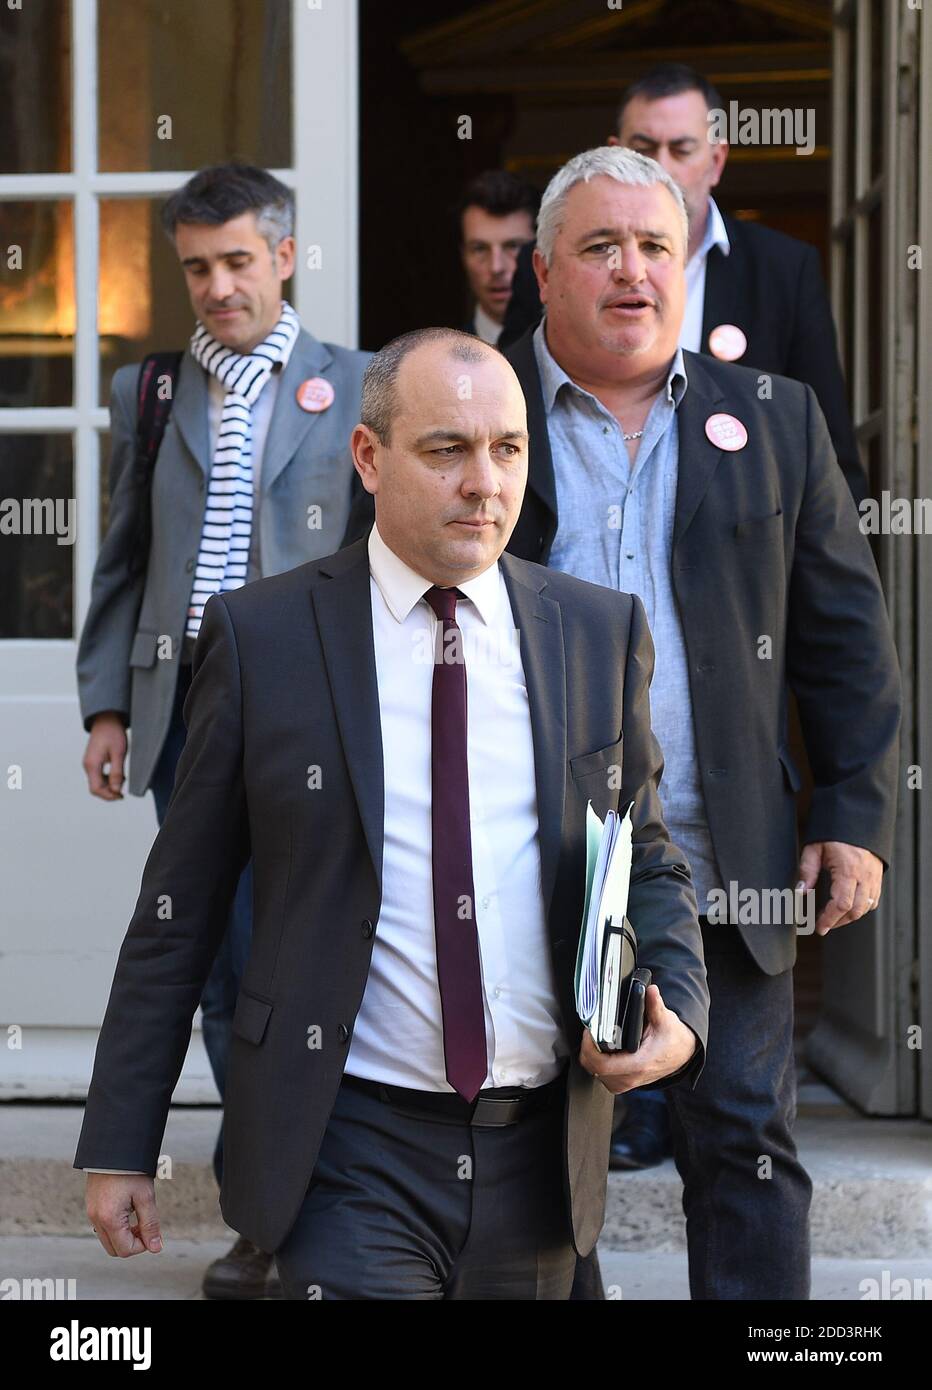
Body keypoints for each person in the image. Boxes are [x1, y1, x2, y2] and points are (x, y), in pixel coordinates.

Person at [341, 148, 901, 1300]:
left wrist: (852, 812)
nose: (632, 271)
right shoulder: (470, 413)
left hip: (721, 869)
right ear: (539, 273)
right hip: (521, 869)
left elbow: (845, 635)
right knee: (542, 1172)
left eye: (655, 246)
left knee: (745, 1155)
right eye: (599, 247)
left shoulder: (774, 420)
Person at [75, 327, 710, 1301]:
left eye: (506, 448)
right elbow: (180, 909)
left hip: (540, 1157)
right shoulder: (262, 636)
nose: (483, 482)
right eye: (446, 449)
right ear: (368, 459)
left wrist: (679, 1010)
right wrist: (122, 1139)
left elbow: (647, 856)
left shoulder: (594, 632)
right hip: (345, 1147)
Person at [76, 162, 370, 1300]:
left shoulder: (355, 383)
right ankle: (263, 1210)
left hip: (309, 711)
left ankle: (317, 1203)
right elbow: (119, 559)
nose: (216, 286)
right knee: (211, 959)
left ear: (284, 257)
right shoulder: (148, 392)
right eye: (196, 266)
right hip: (185, 711)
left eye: (237, 261)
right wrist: (108, 703)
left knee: (295, 964)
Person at [498, 62, 866, 505]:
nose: (662, 166)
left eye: (682, 149)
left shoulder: (784, 268)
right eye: (645, 147)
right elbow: (506, 395)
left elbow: (830, 458)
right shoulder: (548, 262)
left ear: (716, 160)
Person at [458, 170, 539, 345]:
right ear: (463, 255)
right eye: (479, 249)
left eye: (513, 246)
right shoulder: (442, 363)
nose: (496, 267)